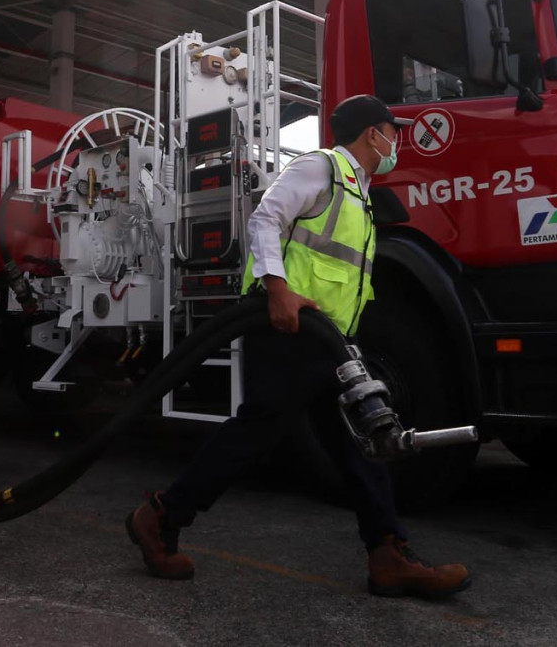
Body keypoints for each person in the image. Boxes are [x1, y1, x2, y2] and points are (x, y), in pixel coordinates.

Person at [127, 95, 471, 599]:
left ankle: (387, 554)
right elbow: (266, 219)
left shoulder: (359, 190)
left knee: (357, 443)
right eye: (390, 131)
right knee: (261, 431)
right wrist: (277, 289)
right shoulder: (322, 168)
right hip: (290, 329)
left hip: (328, 339)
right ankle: (161, 515)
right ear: (371, 134)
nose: (395, 141)